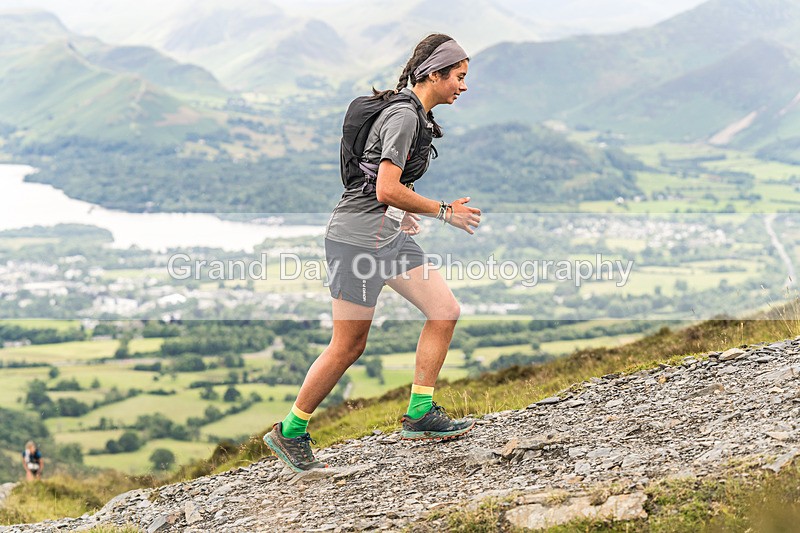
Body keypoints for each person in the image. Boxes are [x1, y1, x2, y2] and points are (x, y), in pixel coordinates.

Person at [264, 33, 481, 472]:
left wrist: (405, 212)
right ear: (434, 74)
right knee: (348, 346)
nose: (462, 85)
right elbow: (384, 187)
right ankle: (290, 431)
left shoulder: (414, 115)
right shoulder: (403, 117)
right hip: (355, 241)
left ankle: (420, 412)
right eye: (458, 77)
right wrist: (442, 211)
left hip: (385, 237)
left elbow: (386, 186)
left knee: (444, 310)